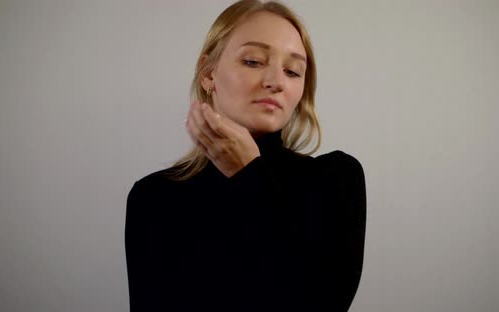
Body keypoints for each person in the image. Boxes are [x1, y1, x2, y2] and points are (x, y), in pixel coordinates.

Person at [124, 1, 366, 311]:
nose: (275, 82)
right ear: (208, 74)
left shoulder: (335, 179)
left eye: (293, 71)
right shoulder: (154, 196)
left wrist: (249, 175)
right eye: (253, 61)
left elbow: (319, 301)